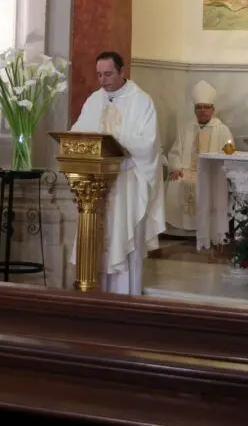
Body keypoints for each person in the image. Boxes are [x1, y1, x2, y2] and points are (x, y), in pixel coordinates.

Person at [70, 51, 165, 294]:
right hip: (96, 185)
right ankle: (97, 296)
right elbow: (78, 132)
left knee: (124, 243)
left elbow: (149, 144)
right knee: (98, 243)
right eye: (99, 75)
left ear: (122, 72)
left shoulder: (141, 101)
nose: (103, 80)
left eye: (108, 74)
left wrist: (116, 138)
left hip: (127, 182)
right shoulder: (94, 100)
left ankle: (127, 298)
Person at [164, 81, 233, 234]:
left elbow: (230, 154)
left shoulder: (222, 130)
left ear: (213, 110)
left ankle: (209, 227)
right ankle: (180, 228)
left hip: (212, 172)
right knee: (176, 182)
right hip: (187, 170)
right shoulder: (186, 128)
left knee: (211, 184)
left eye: (206, 107)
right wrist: (176, 167)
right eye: (199, 107)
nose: (202, 111)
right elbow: (175, 151)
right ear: (194, 110)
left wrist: (220, 171)